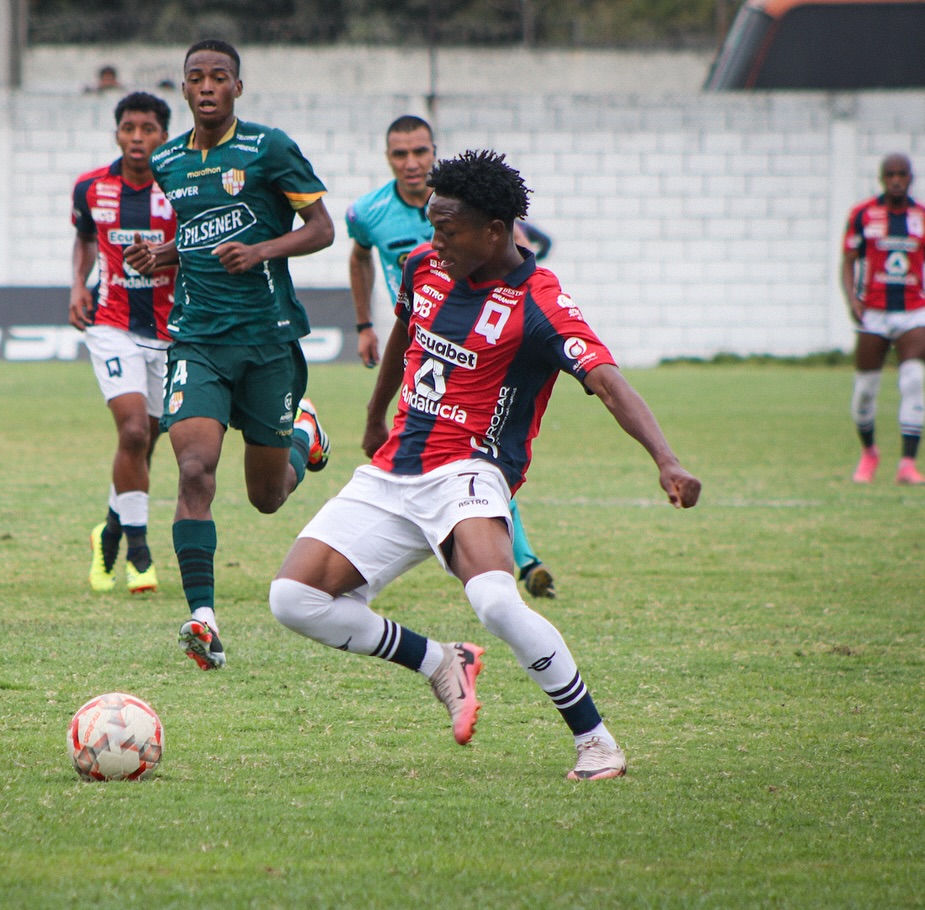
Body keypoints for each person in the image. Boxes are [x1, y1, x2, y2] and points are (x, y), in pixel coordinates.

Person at [270, 150, 702, 780]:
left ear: (494, 232)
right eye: (431, 225)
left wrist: (666, 461)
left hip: (469, 470)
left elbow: (607, 382)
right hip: (395, 469)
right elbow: (405, 333)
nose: (433, 240)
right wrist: (373, 411)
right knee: (293, 599)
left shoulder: (541, 302)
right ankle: (441, 662)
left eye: (447, 229)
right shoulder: (425, 267)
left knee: (498, 602)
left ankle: (596, 740)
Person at [124, 39, 335, 671]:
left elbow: (322, 229)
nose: (208, 86)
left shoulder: (269, 148)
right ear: (184, 91)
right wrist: (160, 255)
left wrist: (262, 250)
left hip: (268, 339)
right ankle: (203, 619)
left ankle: (304, 434)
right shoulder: (167, 161)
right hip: (196, 338)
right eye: (196, 78)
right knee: (193, 468)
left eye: (220, 77)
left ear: (237, 88)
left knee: (267, 497)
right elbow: (194, 235)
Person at [346, 116, 558, 599]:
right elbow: (359, 257)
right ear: (387, 158)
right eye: (400, 154)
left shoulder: (469, 205)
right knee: (461, 448)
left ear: (433, 151)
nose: (412, 162)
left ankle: (516, 563)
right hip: (421, 331)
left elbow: (518, 255)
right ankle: (505, 565)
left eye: (420, 151)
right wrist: (363, 325)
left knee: (480, 444)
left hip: (476, 340)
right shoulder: (368, 212)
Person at [71, 92, 177, 594]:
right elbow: (87, 237)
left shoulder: (180, 186)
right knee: (133, 432)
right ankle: (139, 553)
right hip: (110, 324)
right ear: (117, 133)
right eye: (129, 128)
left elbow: (198, 247)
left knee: (144, 446)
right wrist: (77, 285)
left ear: (164, 135)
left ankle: (108, 531)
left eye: (149, 129)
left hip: (169, 331)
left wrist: (163, 257)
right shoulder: (91, 187)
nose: (138, 137)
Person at [841, 152, 925, 485]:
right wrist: (852, 299)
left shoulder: (921, 217)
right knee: (864, 390)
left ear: (910, 178)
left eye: (901, 174)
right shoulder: (862, 214)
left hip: (912, 311)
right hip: (873, 311)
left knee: (914, 381)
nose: (895, 180)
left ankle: (907, 463)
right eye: (889, 174)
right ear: (881, 178)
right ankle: (869, 453)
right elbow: (847, 261)